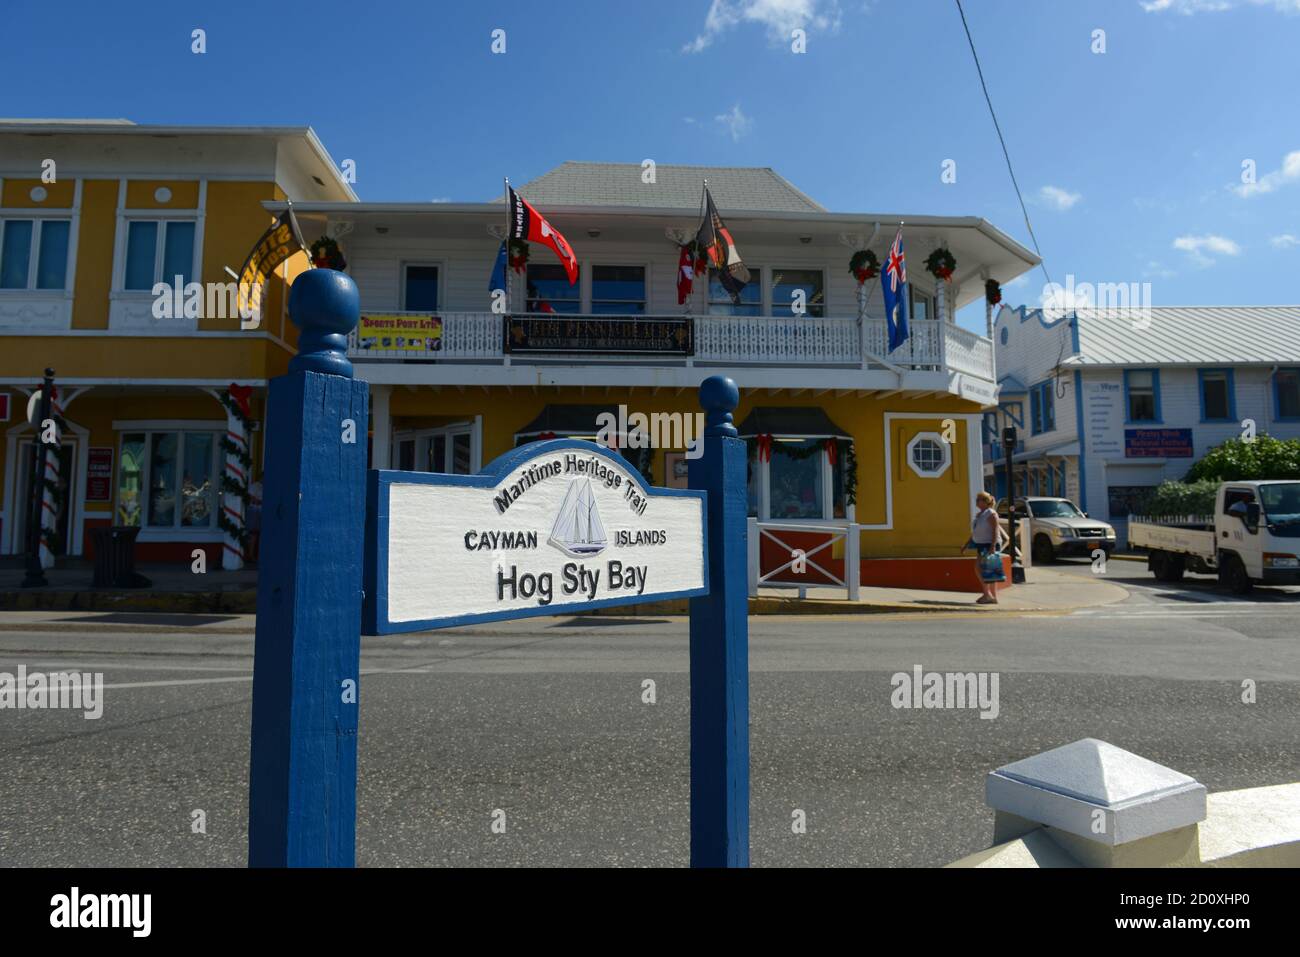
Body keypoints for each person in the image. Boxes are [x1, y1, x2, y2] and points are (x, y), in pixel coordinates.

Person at [960, 490, 1009, 604]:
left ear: (985, 501)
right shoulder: (981, 514)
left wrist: (992, 546)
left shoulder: (990, 513)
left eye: (979, 500)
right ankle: (992, 596)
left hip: (989, 544)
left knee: (981, 569)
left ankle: (987, 595)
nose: (976, 501)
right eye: (976, 499)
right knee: (989, 571)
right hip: (982, 544)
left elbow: (995, 529)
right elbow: (976, 532)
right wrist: (966, 545)